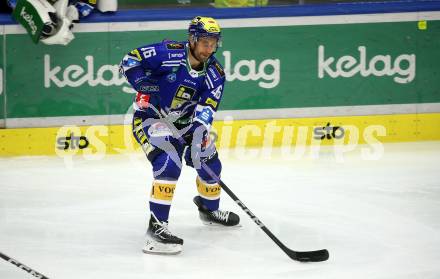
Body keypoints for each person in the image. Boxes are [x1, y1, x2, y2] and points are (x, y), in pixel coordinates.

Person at [119, 16, 240, 255]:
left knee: (209, 161)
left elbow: (207, 106)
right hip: (151, 119)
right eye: (205, 42)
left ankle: (209, 209)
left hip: (185, 124)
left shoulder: (215, 73)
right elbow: (129, 59)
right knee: (169, 161)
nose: (209, 48)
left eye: (214, 42)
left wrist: (198, 132)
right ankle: (156, 229)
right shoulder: (168, 53)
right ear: (192, 39)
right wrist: (141, 81)